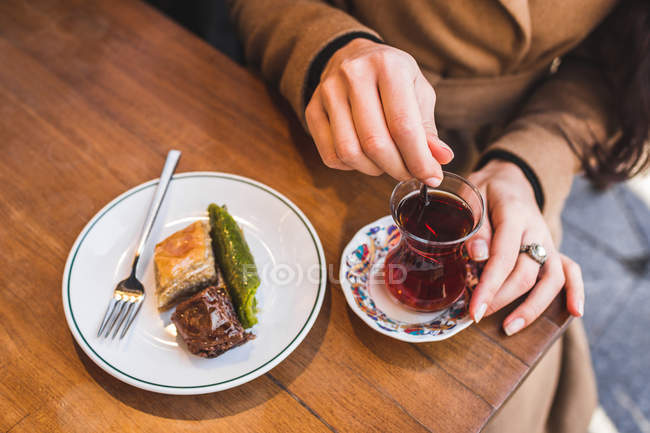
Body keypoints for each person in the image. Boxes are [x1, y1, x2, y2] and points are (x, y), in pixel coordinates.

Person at [227, 1, 650, 432]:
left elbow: (612, 70)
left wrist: (526, 167)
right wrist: (330, 49)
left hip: (512, 194)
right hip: (333, 139)